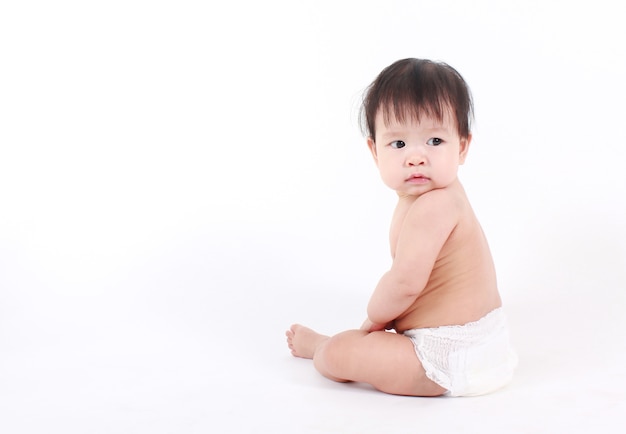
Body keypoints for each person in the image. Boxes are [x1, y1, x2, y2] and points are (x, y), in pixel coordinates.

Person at [285, 58, 517, 397]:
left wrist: (373, 321)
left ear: (462, 146)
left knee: (342, 354)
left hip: (445, 356)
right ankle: (337, 344)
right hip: (482, 345)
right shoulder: (445, 195)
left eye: (435, 141)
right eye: (399, 144)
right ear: (374, 151)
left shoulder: (434, 206)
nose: (416, 157)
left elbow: (406, 283)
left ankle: (323, 347)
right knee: (368, 349)